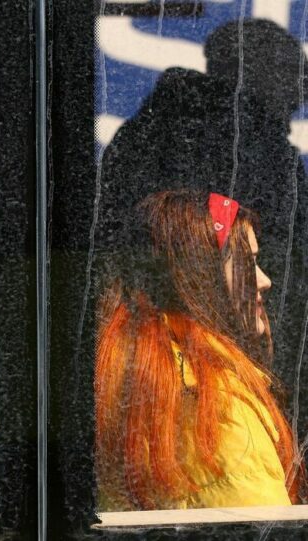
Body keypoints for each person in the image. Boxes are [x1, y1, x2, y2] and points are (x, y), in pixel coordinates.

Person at [98, 19, 308, 431]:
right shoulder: (258, 153)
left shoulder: (141, 136)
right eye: (294, 81)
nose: (300, 96)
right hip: (225, 371)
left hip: (148, 354)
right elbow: (291, 280)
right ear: (264, 76)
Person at [95, 190, 302, 510]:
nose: (264, 281)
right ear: (200, 277)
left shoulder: (139, 378)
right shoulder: (217, 405)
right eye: (247, 263)